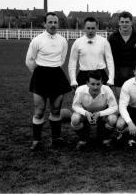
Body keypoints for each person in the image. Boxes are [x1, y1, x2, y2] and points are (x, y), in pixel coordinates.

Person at [25, 12, 71, 151]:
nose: (53, 25)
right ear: (44, 24)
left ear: (58, 24)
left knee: (56, 109)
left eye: (55, 22)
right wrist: (39, 74)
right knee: (39, 110)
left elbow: (62, 59)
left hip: (57, 75)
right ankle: (37, 140)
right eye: (50, 22)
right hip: (40, 76)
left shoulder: (63, 41)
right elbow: (29, 61)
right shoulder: (37, 40)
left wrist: (52, 69)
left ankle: (56, 138)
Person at [71, 70, 119, 151]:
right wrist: (86, 113)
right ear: (87, 83)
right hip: (86, 115)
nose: (95, 87)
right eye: (92, 84)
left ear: (102, 82)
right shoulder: (80, 90)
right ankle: (83, 139)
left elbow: (114, 107)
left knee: (113, 119)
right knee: (75, 119)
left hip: (102, 115)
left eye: (98, 84)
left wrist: (100, 113)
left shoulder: (107, 89)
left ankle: (106, 139)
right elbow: (75, 106)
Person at [107, 11, 136, 100]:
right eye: (122, 22)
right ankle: (121, 113)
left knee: (134, 98)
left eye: (127, 22)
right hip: (118, 72)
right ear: (119, 23)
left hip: (134, 72)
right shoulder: (112, 38)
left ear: (131, 22)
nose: (124, 24)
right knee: (121, 98)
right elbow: (109, 56)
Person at [68, 17, 115, 89]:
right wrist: (73, 80)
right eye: (88, 28)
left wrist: (111, 79)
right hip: (84, 75)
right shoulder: (77, 42)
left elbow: (110, 61)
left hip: (100, 74)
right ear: (84, 28)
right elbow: (72, 62)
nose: (90, 31)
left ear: (97, 28)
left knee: (102, 99)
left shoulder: (104, 42)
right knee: (82, 99)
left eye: (93, 28)